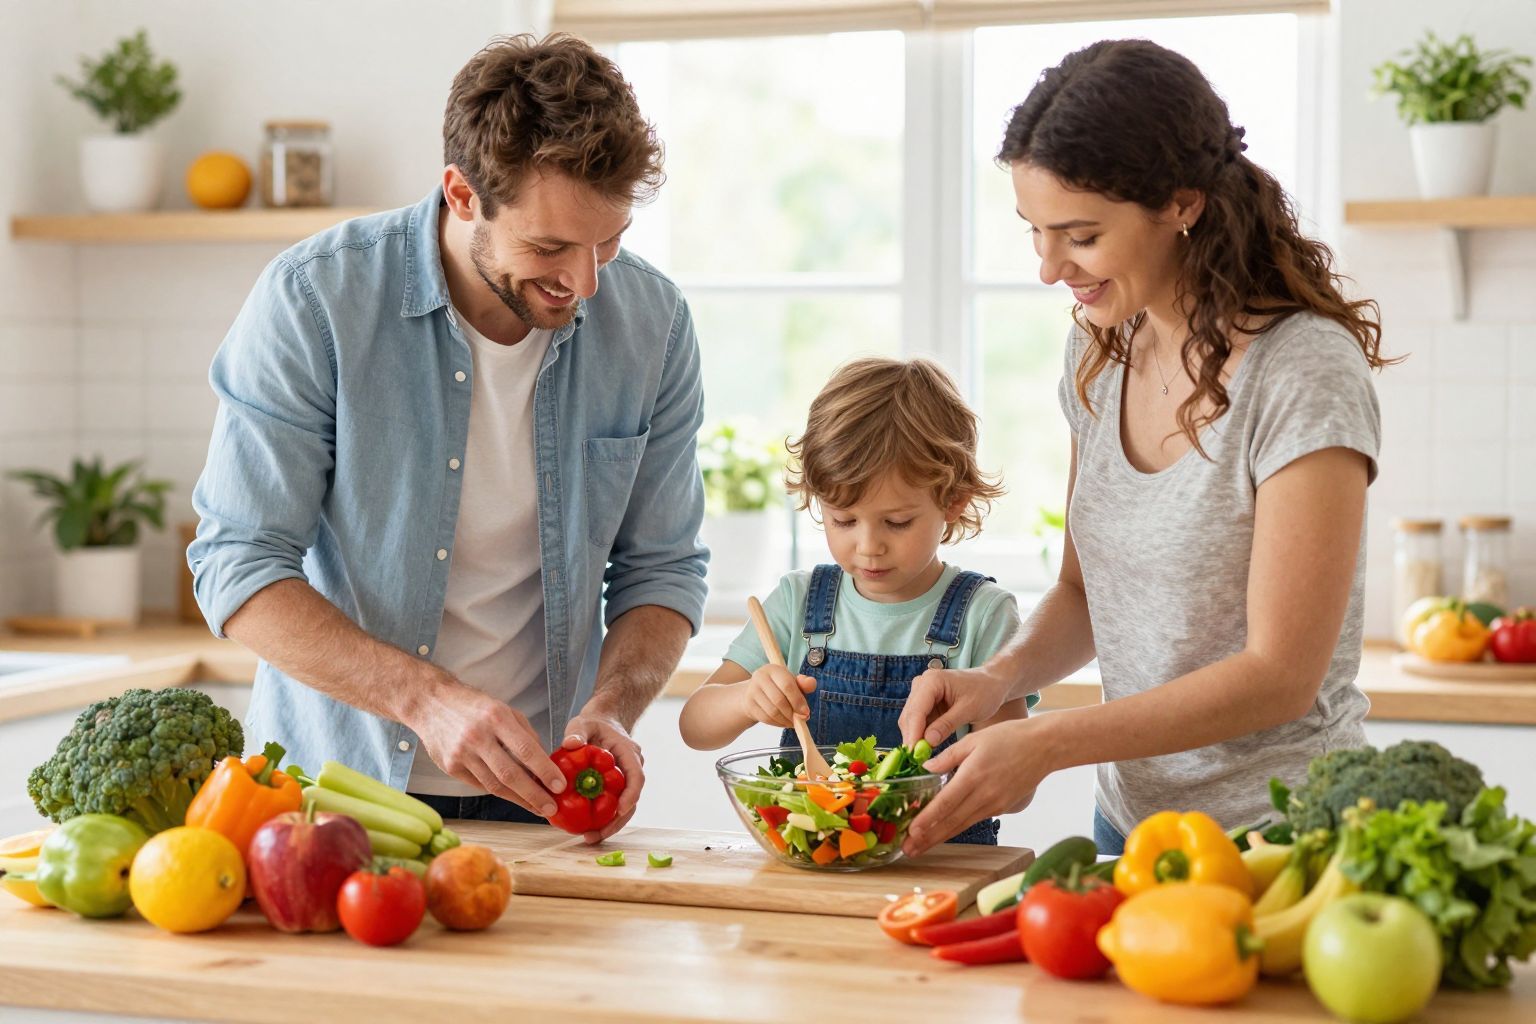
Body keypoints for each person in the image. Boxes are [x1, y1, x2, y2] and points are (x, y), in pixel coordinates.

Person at [188, 34, 708, 841]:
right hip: (336, 804)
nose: (585, 283)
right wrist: (425, 699)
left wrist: (613, 707)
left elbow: (662, 570)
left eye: (608, 241)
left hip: (546, 807)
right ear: (462, 195)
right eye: (548, 247)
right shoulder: (315, 301)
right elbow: (236, 565)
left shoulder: (654, 324)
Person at [898, 39, 1387, 857]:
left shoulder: (1302, 371)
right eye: (1036, 232)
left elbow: (1281, 674)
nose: (1051, 268)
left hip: (1287, 838)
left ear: (1181, 204)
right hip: (1132, 827)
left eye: (1080, 236)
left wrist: (1052, 742)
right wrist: (1001, 677)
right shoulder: (1101, 351)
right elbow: (1083, 594)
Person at [679, 357, 1034, 844]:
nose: (868, 546)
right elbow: (696, 726)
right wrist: (747, 699)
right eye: (844, 520)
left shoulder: (984, 614)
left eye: (897, 522)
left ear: (953, 501)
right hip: (816, 865)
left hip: (942, 867)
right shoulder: (798, 603)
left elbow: (1016, 792)